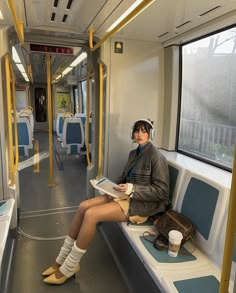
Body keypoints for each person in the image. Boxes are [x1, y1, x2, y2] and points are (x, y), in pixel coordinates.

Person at [42, 118, 170, 285]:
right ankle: (60, 261)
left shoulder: (156, 157)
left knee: (92, 215)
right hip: (126, 196)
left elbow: (162, 192)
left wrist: (132, 189)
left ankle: (70, 266)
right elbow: (125, 178)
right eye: (137, 131)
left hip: (141, 205)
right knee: (83, 206)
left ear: (151, 134)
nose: (140, 135)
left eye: (144, 131)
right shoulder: (134, 153)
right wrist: (108, 185)